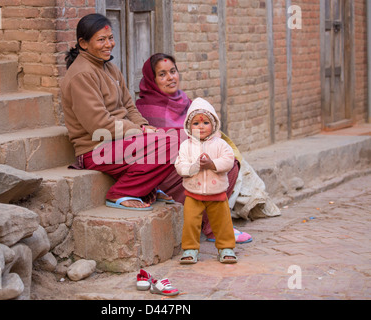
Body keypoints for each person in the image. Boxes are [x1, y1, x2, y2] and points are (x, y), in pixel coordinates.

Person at [61, 13, 179, 211]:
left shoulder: (111, 68)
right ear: (83, 43)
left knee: (173, 139)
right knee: (169, 144)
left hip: (118, 141)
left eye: (110, 38)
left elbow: (129, 106)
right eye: (101, 40)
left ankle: (147, 187)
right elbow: (98, 124)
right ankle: (122, 192)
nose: (109, 44)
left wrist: (143, 126)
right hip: (95, 149)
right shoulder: (81, 75)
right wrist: (139, 132)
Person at [136, 53, 252, 243]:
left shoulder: (185, 101)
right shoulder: (146, 108)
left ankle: (214, 224)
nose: (170, 78)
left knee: (227, 163)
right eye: (162, 74)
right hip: (168, 174)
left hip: (197, 161)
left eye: (173, 71)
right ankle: (215, 227)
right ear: (152, 79)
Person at [175, 97, 237, 264]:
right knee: (190, 223)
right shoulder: (185, 147)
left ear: (213, 125)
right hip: (193, 193)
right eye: (195, 123)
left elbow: (228, 161)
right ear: (189, 127)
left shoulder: (221, 145)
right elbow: (180, 166)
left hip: (217, 193)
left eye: (205, 123)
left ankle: (226, 248)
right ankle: (190, 249)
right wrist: (194, 167)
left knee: (222, 222)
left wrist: (212, 164)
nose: (200, 126)